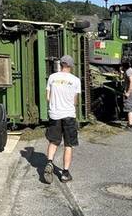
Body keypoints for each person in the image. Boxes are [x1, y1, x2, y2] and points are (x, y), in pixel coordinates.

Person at [42, 55, 81, 184]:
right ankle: (65, 173)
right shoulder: (75, 80)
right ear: (71, 66)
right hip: (69, 114)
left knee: (53, 141)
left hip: (54, 114)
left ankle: (49, 162)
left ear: (61, 64)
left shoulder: (52, 77)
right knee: (68, 144)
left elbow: (48, 97)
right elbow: (75, 101)